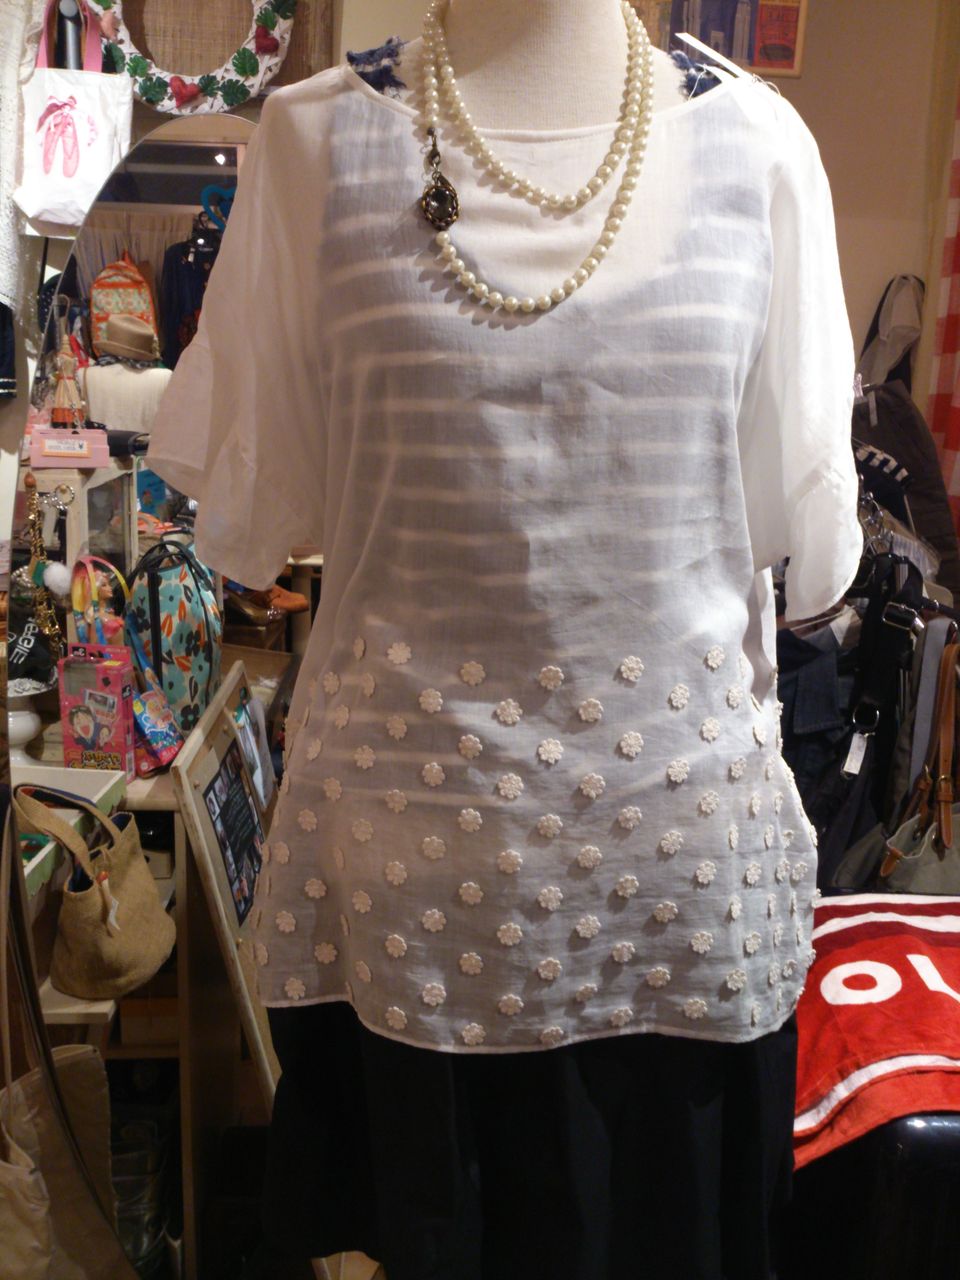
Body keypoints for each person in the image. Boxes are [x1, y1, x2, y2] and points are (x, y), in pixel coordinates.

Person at [148, 2, 861, 1275]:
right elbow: (261, 522)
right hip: (410, 913)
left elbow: (792, 540)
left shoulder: (759, 149)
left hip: (678, 920)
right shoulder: (312, 144)